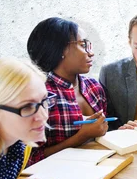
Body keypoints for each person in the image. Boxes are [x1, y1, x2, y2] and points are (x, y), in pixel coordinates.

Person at [27, 17, 108, 164]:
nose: (91, 53)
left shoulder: (94, 87)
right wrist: (80, 137)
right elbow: (29, 159)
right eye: (83, 45)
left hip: (102, 168)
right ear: (60, 49)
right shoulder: (40, 96)